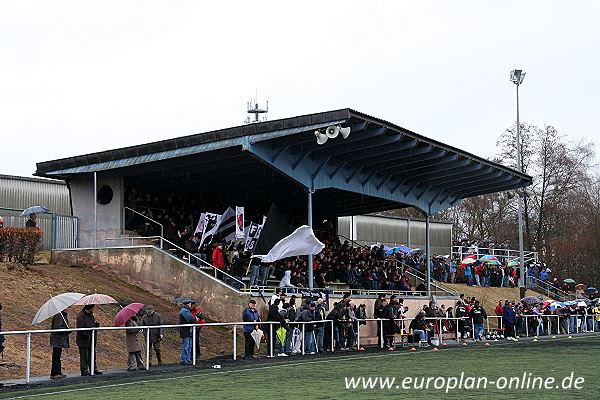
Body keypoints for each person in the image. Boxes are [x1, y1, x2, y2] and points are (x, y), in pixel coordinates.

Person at [76, 305, 102, 376]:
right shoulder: (81, 316)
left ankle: (93, 368)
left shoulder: (91, 315)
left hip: (91, 339)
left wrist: (95, 326)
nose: (94, 309)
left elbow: (91, 325)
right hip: (84, 340)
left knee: (92, 354)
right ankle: (84, 370)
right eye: (93, 307)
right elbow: (80, 329)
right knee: (84, 356)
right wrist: (87, 334)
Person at [50, 310, 70, 379]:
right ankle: (55, 373)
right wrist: (66, 330)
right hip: (57, 340)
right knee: (56, 356)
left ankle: (57, 372)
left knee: (57, 356)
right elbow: (57, 327)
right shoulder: (59, 315)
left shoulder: (62, 315)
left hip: (58, 339)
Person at [179, 300, 196, 365]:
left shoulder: (186, 311)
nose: (191, 306)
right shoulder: (184, 311)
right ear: (187, 304)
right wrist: (195, 319)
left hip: (188, 331)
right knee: (186, 346)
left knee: (189, 346)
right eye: (190, 304)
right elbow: (190, 319)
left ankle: (188, 359)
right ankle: (184, 359)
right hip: (186, 331)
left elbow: (191, 319)